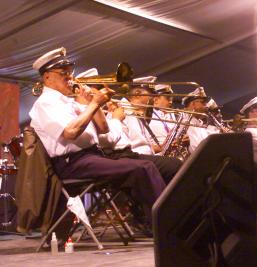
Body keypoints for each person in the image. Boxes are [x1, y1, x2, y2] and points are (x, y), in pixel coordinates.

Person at [29, 48, 166, 239]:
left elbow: (103, 129)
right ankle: (166, 227)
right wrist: (93, 105)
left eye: (70, 72)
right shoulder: (45, 104)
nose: (70, 77)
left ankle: (158, 222)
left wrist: (95, 103)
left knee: (144, 167)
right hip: (72, 163)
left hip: (91, 157)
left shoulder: (68, 102)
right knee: (143, 168)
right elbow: (70, 132)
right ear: (47, 77)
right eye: (64, 73)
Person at [124, 83, 182, 183]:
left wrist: (163, 147)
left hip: (144, 156)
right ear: (138, 94)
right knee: (176, 165)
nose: (153, 99)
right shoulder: (124, 110)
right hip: (134, 157)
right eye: (151, 95)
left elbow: (142, 143)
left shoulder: (139, 112)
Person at [182, 88, 212, 153]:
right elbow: (195, 149)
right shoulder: (185, 123)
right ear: (192, 104)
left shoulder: (199, 123)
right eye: (203, 103)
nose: (207, 106)